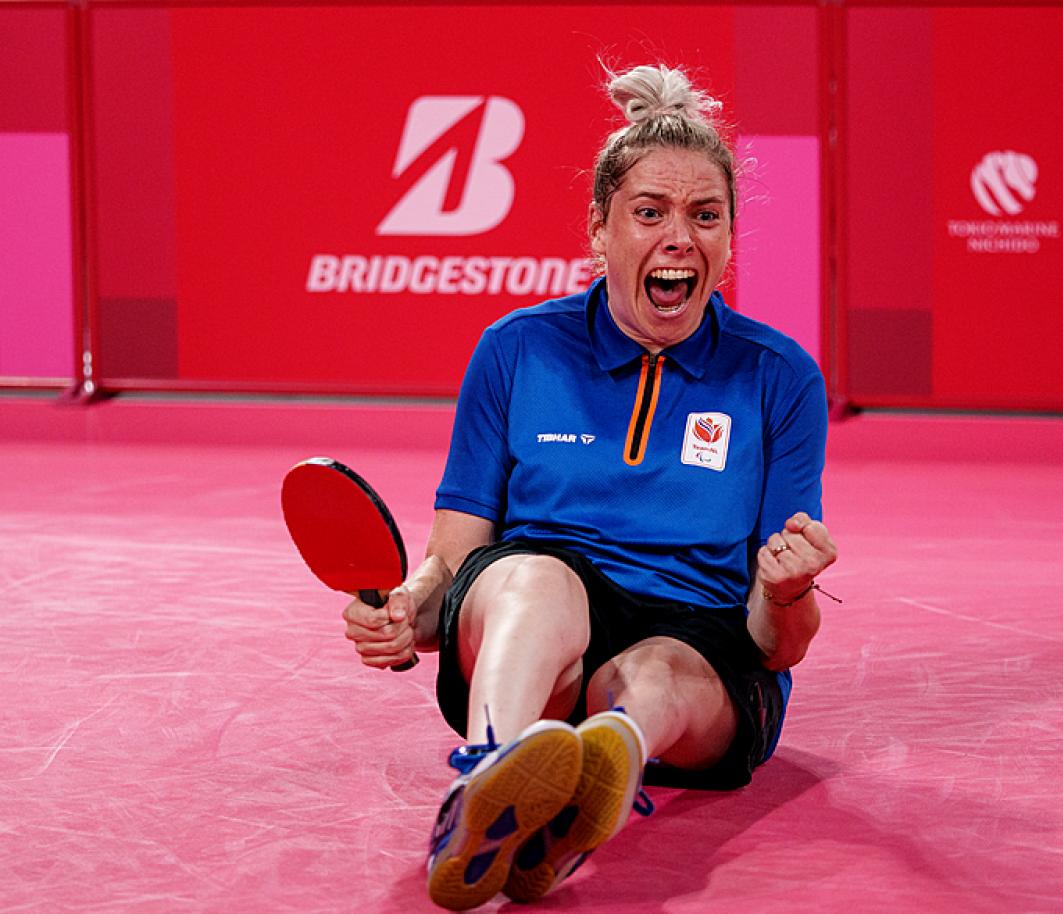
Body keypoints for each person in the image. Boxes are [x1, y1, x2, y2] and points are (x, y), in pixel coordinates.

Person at [341, 63, 838, 911]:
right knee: (536, 579)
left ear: (726, 237)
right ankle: (494, 778)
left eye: (705, 215)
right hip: (539, 626)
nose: (680, 237)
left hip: (703, 645)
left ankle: (584, 787)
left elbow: (777, 644)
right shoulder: (517, 350)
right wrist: (404, 615)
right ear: (599, 230)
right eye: (650, 213)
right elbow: (454, 569)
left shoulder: (778, 378)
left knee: (649, 678)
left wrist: (786, 590)